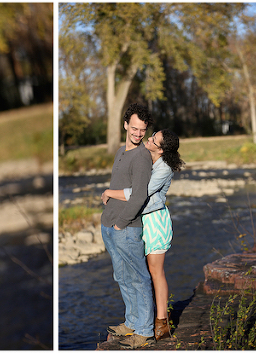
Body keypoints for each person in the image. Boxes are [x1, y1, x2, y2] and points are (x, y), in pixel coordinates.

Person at [101, 129, 184, 341]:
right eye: (152, 135)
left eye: (153, 139)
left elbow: (140, 193)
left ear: (161, 149)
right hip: (142, 221)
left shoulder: (164, 167)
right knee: (141, 271)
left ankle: (161, 324)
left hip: (155, 222)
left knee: (155, 273)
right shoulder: (148, 158)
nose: (148, 139)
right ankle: (139, 321)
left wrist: (110, 193)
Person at [99, 103, 155, 349]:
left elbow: (140, 195)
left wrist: (122, 224)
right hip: (109, 225)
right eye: (134, 128)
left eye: (142, 130)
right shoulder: (121, 151)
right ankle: (132, 322)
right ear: (125, 125)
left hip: (127, 228)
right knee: (122, 276)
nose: (138, 133)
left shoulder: (142, 157)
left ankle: (144, 331)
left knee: (139, 278)